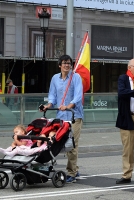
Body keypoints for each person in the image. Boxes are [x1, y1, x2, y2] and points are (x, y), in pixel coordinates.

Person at [41, 54, 83, 184]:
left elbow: (77, 96)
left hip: (74, 115)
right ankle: (75, 169)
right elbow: (52, 96)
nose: (67, 65)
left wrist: (68, 106)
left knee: (71, 145)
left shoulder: (76, 77)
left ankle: (71, 173)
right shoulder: (55, 78)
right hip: (61, 116)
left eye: (69, 63)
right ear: (60, 65)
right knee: (59, 143)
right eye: (64, 63)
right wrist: (48, 106)